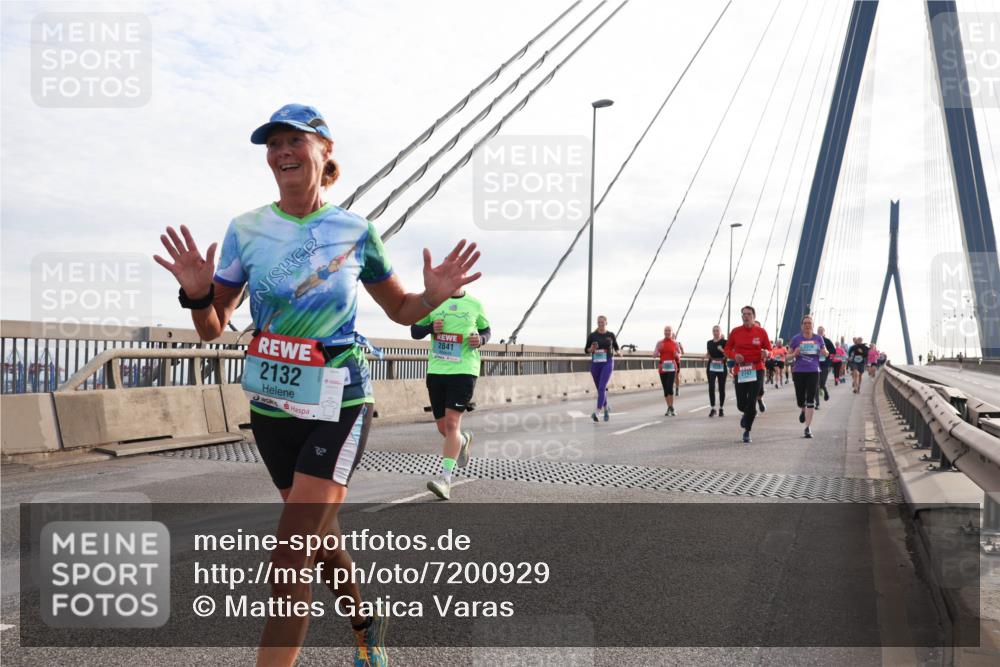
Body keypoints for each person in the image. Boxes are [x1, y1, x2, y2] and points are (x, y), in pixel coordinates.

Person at [154, 103, 482, 667]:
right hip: (273, 403)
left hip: (341, 398)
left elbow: (402, 309)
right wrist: (197, 294)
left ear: (324, 151)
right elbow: (212, 329)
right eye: (272, 145)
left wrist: (432, 297)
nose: (282, 152)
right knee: (319, 537)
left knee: (291, 551)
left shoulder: (355, 231)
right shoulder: (246, 229)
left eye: (293, 141)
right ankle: (365, 623)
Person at [411, 287, 490, 501]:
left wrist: (480, 340)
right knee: (443, 427)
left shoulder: (474, 304)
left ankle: (446, 480)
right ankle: (462, 441)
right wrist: (430, 327)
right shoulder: (433, 302)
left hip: (464, 370)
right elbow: (414, 331)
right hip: (437, 370)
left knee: (452, 424)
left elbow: (486, 330)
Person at [724, 306, 772, 443]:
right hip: (741, 370)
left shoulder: (761, 332)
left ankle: (747, 432)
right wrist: (734, 355)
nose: (746, 316)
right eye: (743, 314)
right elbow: (727, 349)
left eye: (749, 314)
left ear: (754, 316)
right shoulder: (735, 332)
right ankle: (749, 413)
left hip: (757, 368)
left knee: (751, 401)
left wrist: (767, 353)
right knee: (741, 404)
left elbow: (769, 349)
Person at [789, 315, 827, 438]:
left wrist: (824, 352)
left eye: (809, 323)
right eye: (805, 323)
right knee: (800, 400)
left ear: (812, 325)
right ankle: (803, 409)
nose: (807, 325)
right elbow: (787, 357)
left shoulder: (819, 338)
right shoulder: (796, 339)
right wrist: (794, 353)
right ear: (801, 325)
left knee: (810, 399)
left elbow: (825, 352)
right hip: (799, 372)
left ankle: (807, 427)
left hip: (813, 371)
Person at [586, 316, 620, 421]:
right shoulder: (592, 335)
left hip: (607, 363)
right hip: (596, 364)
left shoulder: (610, 335)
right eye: (599, 322)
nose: (601, 324)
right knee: (600, 389)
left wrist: (618, 352)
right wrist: (592, 348)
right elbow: (586, 350)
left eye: (602, 322)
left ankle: (597, 412)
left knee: (602, 387)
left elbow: (616, 346)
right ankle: (606, 408)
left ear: (606, 323)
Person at [654, 325, 682, 416]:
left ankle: (671, 407)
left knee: (670, 386)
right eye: (666, 330)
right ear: (663, 332)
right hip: (662, 368)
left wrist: (677, 355)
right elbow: (654, 354)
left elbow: (680, 353)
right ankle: (669, 408)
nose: (667, 332)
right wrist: (657, 352)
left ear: (671, 332)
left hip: (672, 367)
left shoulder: (675, 343)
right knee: (665, 389)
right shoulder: (659, 343)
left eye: (669, 330)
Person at [705, 325, 727, 417]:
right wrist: (706, 355)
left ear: (720, 332)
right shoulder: (709, 342)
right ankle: (713, 408)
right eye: (714, 331)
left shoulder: (725, 342)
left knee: (721, 388)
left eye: (717, 330)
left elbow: (728, 354)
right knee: (711, 387)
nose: (715, 332)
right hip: (712, 366)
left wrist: (722, 350)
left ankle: (721, 408)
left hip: (721, 365)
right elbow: (709, 353)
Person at [816, 326, 836, 405]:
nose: (820, 332)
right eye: (819, 331)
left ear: (824, 332)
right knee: (816, 383)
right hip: (815, 364)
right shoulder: (815, 340)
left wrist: (826, 351)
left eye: (821, 331)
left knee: (822, 383)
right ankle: (817, 402)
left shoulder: (827, 341)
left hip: (825, 364)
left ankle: (825, 392)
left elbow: (833, 351)